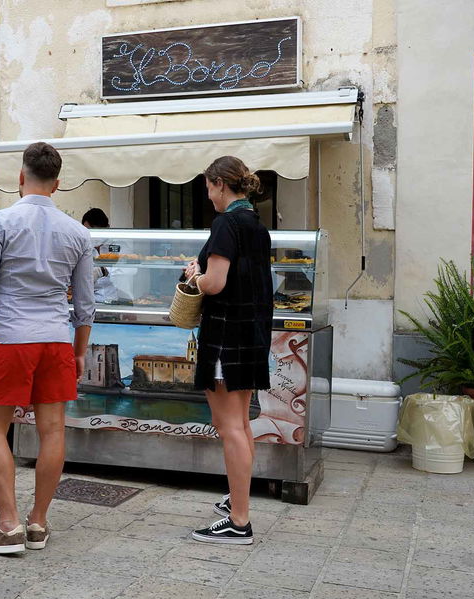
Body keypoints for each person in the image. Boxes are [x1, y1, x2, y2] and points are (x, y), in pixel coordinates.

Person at [0, 142, 94, 554]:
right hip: (55, 340)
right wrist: (80, 351)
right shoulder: (78, 232)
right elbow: (85, 305)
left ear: (20, 178)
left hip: (11, 337)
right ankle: (37, 522)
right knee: (53, 431)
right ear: (58, 183)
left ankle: (8, 524)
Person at [183, 156, 273, 545]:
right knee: (241, 423)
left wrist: (194, 276)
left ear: (220, 183)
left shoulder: (225, 224)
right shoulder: (255, 223)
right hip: (252, 333)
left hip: (225, 336)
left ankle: (239, 522)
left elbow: (216, 283)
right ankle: (238, 501)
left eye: (207, 186)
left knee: (229, 426)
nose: (208, 195)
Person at [81, 208, 118, 303]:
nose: (92, 235)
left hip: (115, 299)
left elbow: (128, 269)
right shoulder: (83, 248)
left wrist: (102, 270)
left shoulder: (118, 244)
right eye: (88, 231)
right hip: (89, 302)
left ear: (107, 227)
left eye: (95, 230)